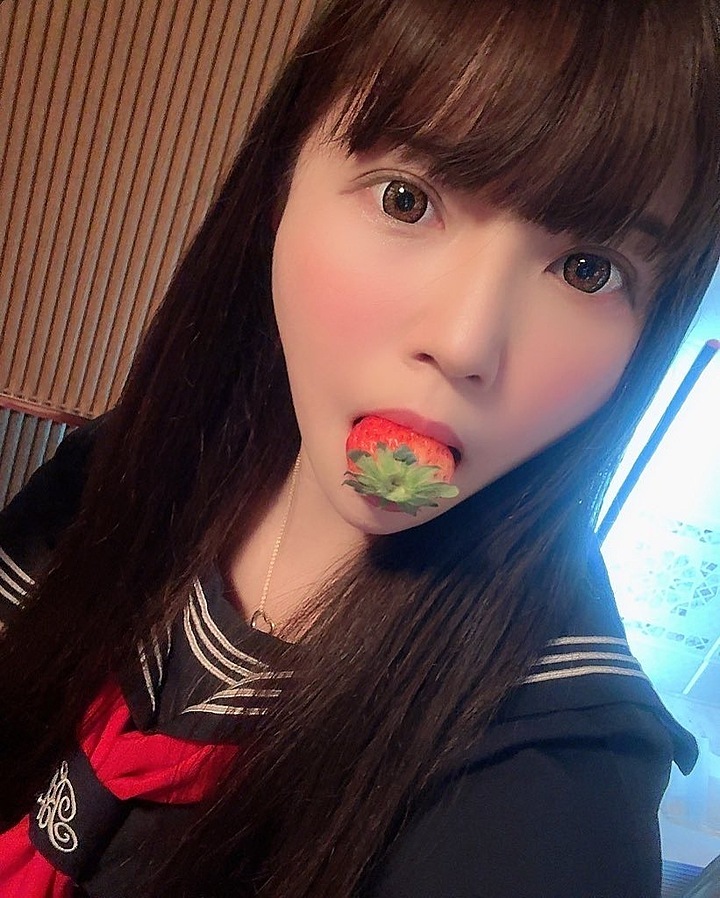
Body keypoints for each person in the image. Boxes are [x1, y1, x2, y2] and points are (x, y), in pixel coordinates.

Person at [1, 0, 718, 895]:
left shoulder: (551, 795)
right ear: (280, 182)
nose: (464, 343)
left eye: (588, 269)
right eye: (405, 199)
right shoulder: (130, 471)